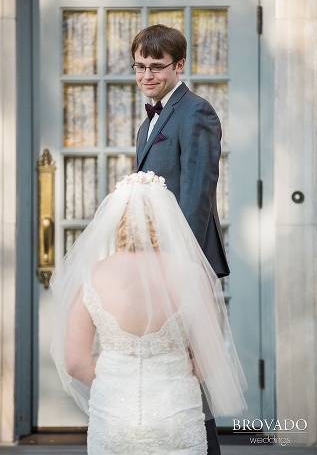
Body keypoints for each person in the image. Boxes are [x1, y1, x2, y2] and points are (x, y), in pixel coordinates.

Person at [50, 171, 247, 455]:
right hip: (177, 413)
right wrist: (174, 373)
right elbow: (212, 356)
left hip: (114, 415)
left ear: (116, 219)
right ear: (167, 220)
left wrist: (115, 379)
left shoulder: (90, 276)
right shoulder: (193, 275)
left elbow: (75, 363)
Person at [131, 24, 229, 453]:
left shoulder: (197, 113)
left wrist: (178, 265)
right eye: (139, 66)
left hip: (184, 262)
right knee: (169, 368)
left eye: (156, 67)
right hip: (153, 261)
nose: (146, 75)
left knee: (190, 368)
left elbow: (197, 195)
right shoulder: (146, 125)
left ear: (180, 65)